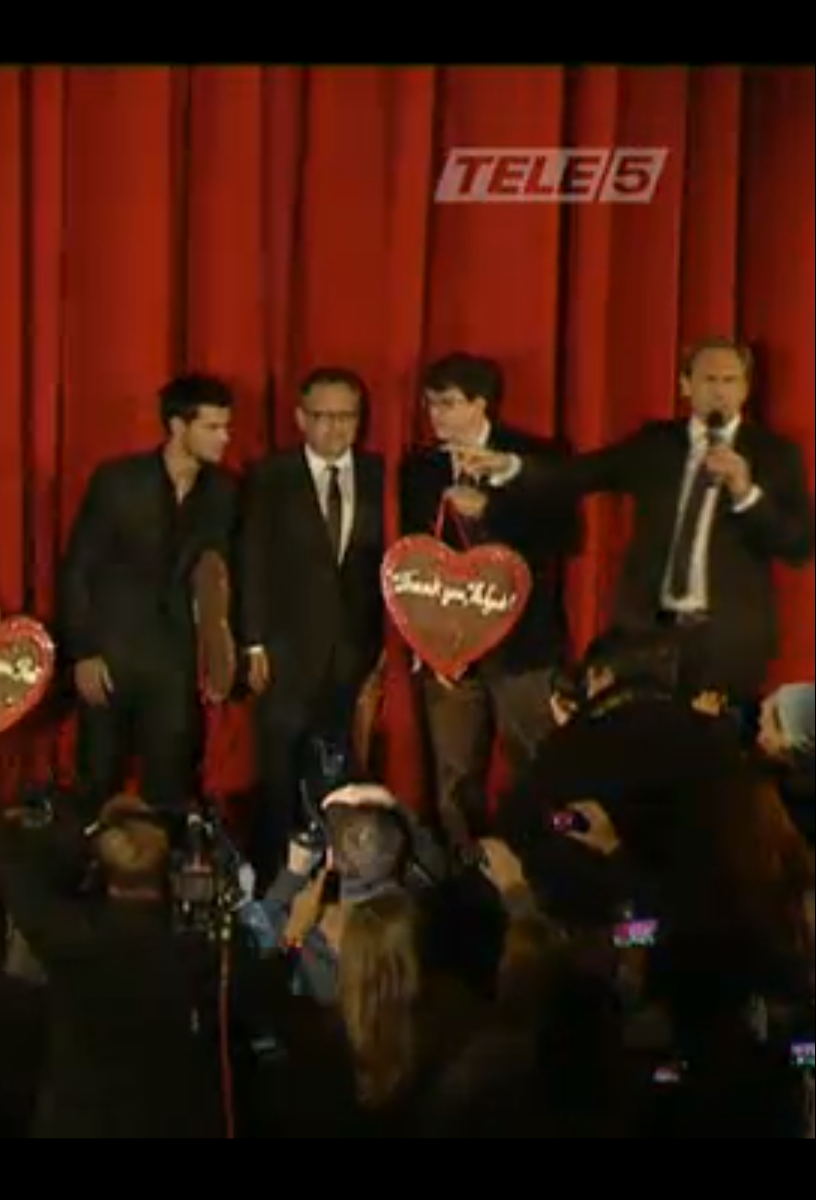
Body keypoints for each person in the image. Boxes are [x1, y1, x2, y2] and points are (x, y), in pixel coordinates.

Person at [457, 336, 813, 707]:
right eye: (709, 379)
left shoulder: (774, 455)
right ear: (685, 385)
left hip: (727, 644)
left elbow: (798, 546)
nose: (720, 391)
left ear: (745, 388)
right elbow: (581, 474)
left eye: (730, 380)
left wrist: (745, 492)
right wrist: (511, 466)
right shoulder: (655, 444)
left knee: (717, 743)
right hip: (646, 638)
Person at [400, 352, 576, 849]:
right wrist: (427, 642)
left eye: (449, 404)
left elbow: (564, 536)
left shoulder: (535, 457)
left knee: (538, 767)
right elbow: (415, 560)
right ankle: (469, 870)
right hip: (452, 652)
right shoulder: (420, 469)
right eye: (431, 404)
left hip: (522, 649)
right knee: (454, 780)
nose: (436, 415)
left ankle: (544, 868)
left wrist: (490, 511)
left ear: (481, 404)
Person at [59, 373, 238, 818]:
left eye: (226, 426)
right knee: (97, 786)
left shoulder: (225, 492)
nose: (225, 438)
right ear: (178, 427)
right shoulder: (118, 482)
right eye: (212, 427)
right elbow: (78, 569)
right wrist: (83, 652)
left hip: (176, 667)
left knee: (171, 792)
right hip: (111, 660)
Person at [237, 367, 388, 882]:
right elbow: (252, 560)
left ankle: (343, 880)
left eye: (347, 416)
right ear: (300, 418)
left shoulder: (379, 475)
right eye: (323, 416)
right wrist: (253, 642)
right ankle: (272, 883)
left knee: (343, 774)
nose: (335, 428)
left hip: (355, 654)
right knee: (279, 775)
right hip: (285, 654)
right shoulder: (270, 477)